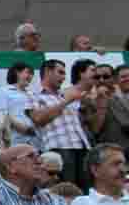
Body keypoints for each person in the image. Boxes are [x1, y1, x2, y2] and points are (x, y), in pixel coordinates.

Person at [30, 58, 92, 186]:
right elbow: (38, 119)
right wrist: (67, 101)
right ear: (47, 71)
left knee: (84, 192)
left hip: (83, 147)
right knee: (65, 191)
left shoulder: (65, 94)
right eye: (60, 72)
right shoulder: (33, 95)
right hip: (59, 148)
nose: (64, 78)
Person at [81, 63, 129, 161]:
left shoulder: (125, 99)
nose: (101, 80)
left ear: (113, 79)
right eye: (97, 77)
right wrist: (102, 102)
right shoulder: (87, 101)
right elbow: (94, 129)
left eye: (106, 76)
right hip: (109, 155)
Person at [0, 62, 40, 148]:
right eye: (28, 72)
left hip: (35, 142)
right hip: (15, 140)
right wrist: (21, 128)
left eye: (32, 74)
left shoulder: (32, 94)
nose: (30, 76)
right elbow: (1, 113)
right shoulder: (4, 91)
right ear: (17, 72)